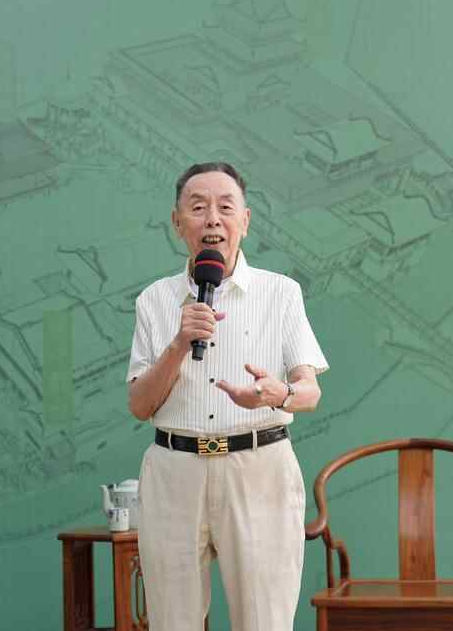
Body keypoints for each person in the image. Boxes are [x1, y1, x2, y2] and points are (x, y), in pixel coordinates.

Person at [127, 162, 328, 631]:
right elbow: (139, 406)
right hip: (174, 471)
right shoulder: (154, 301)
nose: (212, 219)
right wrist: (179, 343)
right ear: (178, 223)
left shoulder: (281, 293)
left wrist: (279, 393)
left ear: (245, 220)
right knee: (171, 622)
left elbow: (310, 392)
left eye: (225, 207)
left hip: (259, 469)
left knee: (264, 621)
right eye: (198, 207)